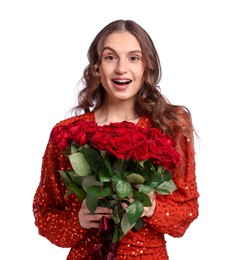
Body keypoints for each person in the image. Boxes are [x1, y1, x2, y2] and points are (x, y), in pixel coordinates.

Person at [33, 19, 199, 260]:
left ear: (147, 67)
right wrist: (77, 221)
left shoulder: (170, 126)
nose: (121, 68)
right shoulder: (68, 133)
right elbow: (44, 213)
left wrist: (153, 209)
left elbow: (187, 212)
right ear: (97, 66)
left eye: (134, 58)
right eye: (111, 57)